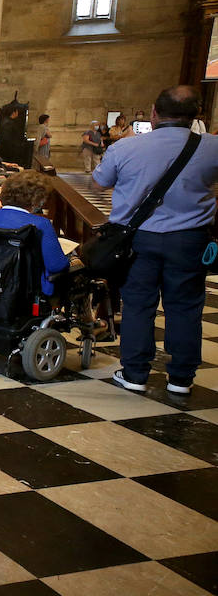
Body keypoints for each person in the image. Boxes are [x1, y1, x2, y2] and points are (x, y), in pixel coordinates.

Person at [94, 86, 218, 394]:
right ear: (196, 116)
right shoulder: (213, 147)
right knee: (186, 306)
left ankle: (135, 373)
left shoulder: (125, 148)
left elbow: (98, 184)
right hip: (189, 239)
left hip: (137, 239)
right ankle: (180, 378)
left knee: (138, 303)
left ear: (153, 113)